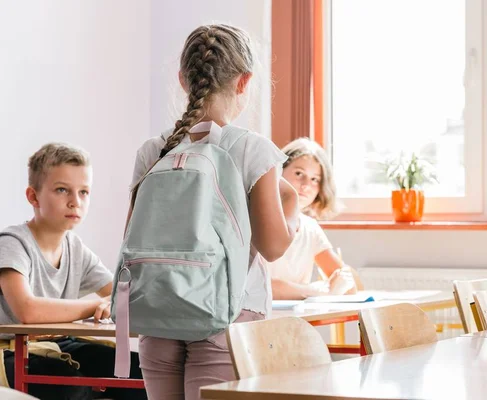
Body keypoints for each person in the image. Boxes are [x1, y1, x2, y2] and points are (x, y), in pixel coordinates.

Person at [129, 24, 299, 399]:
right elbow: (272, 247)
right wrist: (294, 207)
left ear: (182, 80)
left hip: (157, 317)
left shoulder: (153, 150)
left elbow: (133, 236)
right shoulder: (252, 149)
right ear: (244, 82)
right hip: (227, 316)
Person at [0, 143, 146, 400]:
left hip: (58, 344)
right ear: (33, 197)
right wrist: (94, 307)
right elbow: (27, 310)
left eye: (84, 192)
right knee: (71, 387)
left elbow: (122, 295)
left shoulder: (75, 248)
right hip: (12, 350)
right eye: (62, 190)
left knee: (140, 373)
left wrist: (112, 302)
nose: (75, 202)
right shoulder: (12, 243)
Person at [268, 138, 356, 300]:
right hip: (260, 322)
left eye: (315, 179)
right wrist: (317, 291)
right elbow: (261, 286)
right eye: (299, 173)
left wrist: (340, 281)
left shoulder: (310, 228)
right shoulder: (261, 218)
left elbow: (348, 287)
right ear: (279, 171)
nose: (306, 185)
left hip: (298, 321)